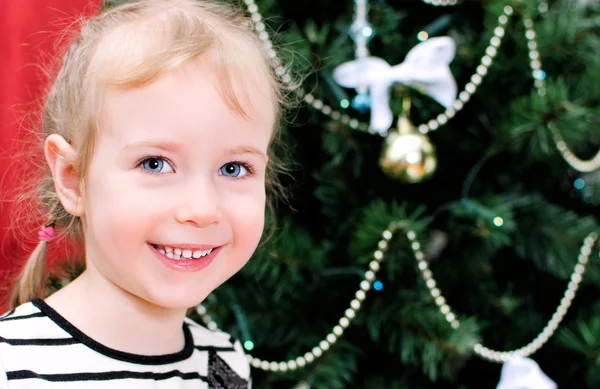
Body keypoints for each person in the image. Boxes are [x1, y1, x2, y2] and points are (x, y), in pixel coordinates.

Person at [0, 0, 290, 387]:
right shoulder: (13, 365)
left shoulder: (225, 365)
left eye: (234, 168)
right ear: (72, 177)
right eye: (155, 163)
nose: (201, 210)